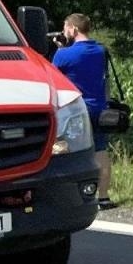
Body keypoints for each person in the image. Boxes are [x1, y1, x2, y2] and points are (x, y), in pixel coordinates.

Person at [52, 12, 115, 209]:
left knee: (66, 151)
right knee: (101, 151)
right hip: (100, 108)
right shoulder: (100, 51)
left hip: (77, 110)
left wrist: (60, 50)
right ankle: (103, 198)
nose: (64, 31)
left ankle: (68, 197)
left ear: (73, 29)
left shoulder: (64, 54)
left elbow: (53, 77)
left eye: (65, 28)